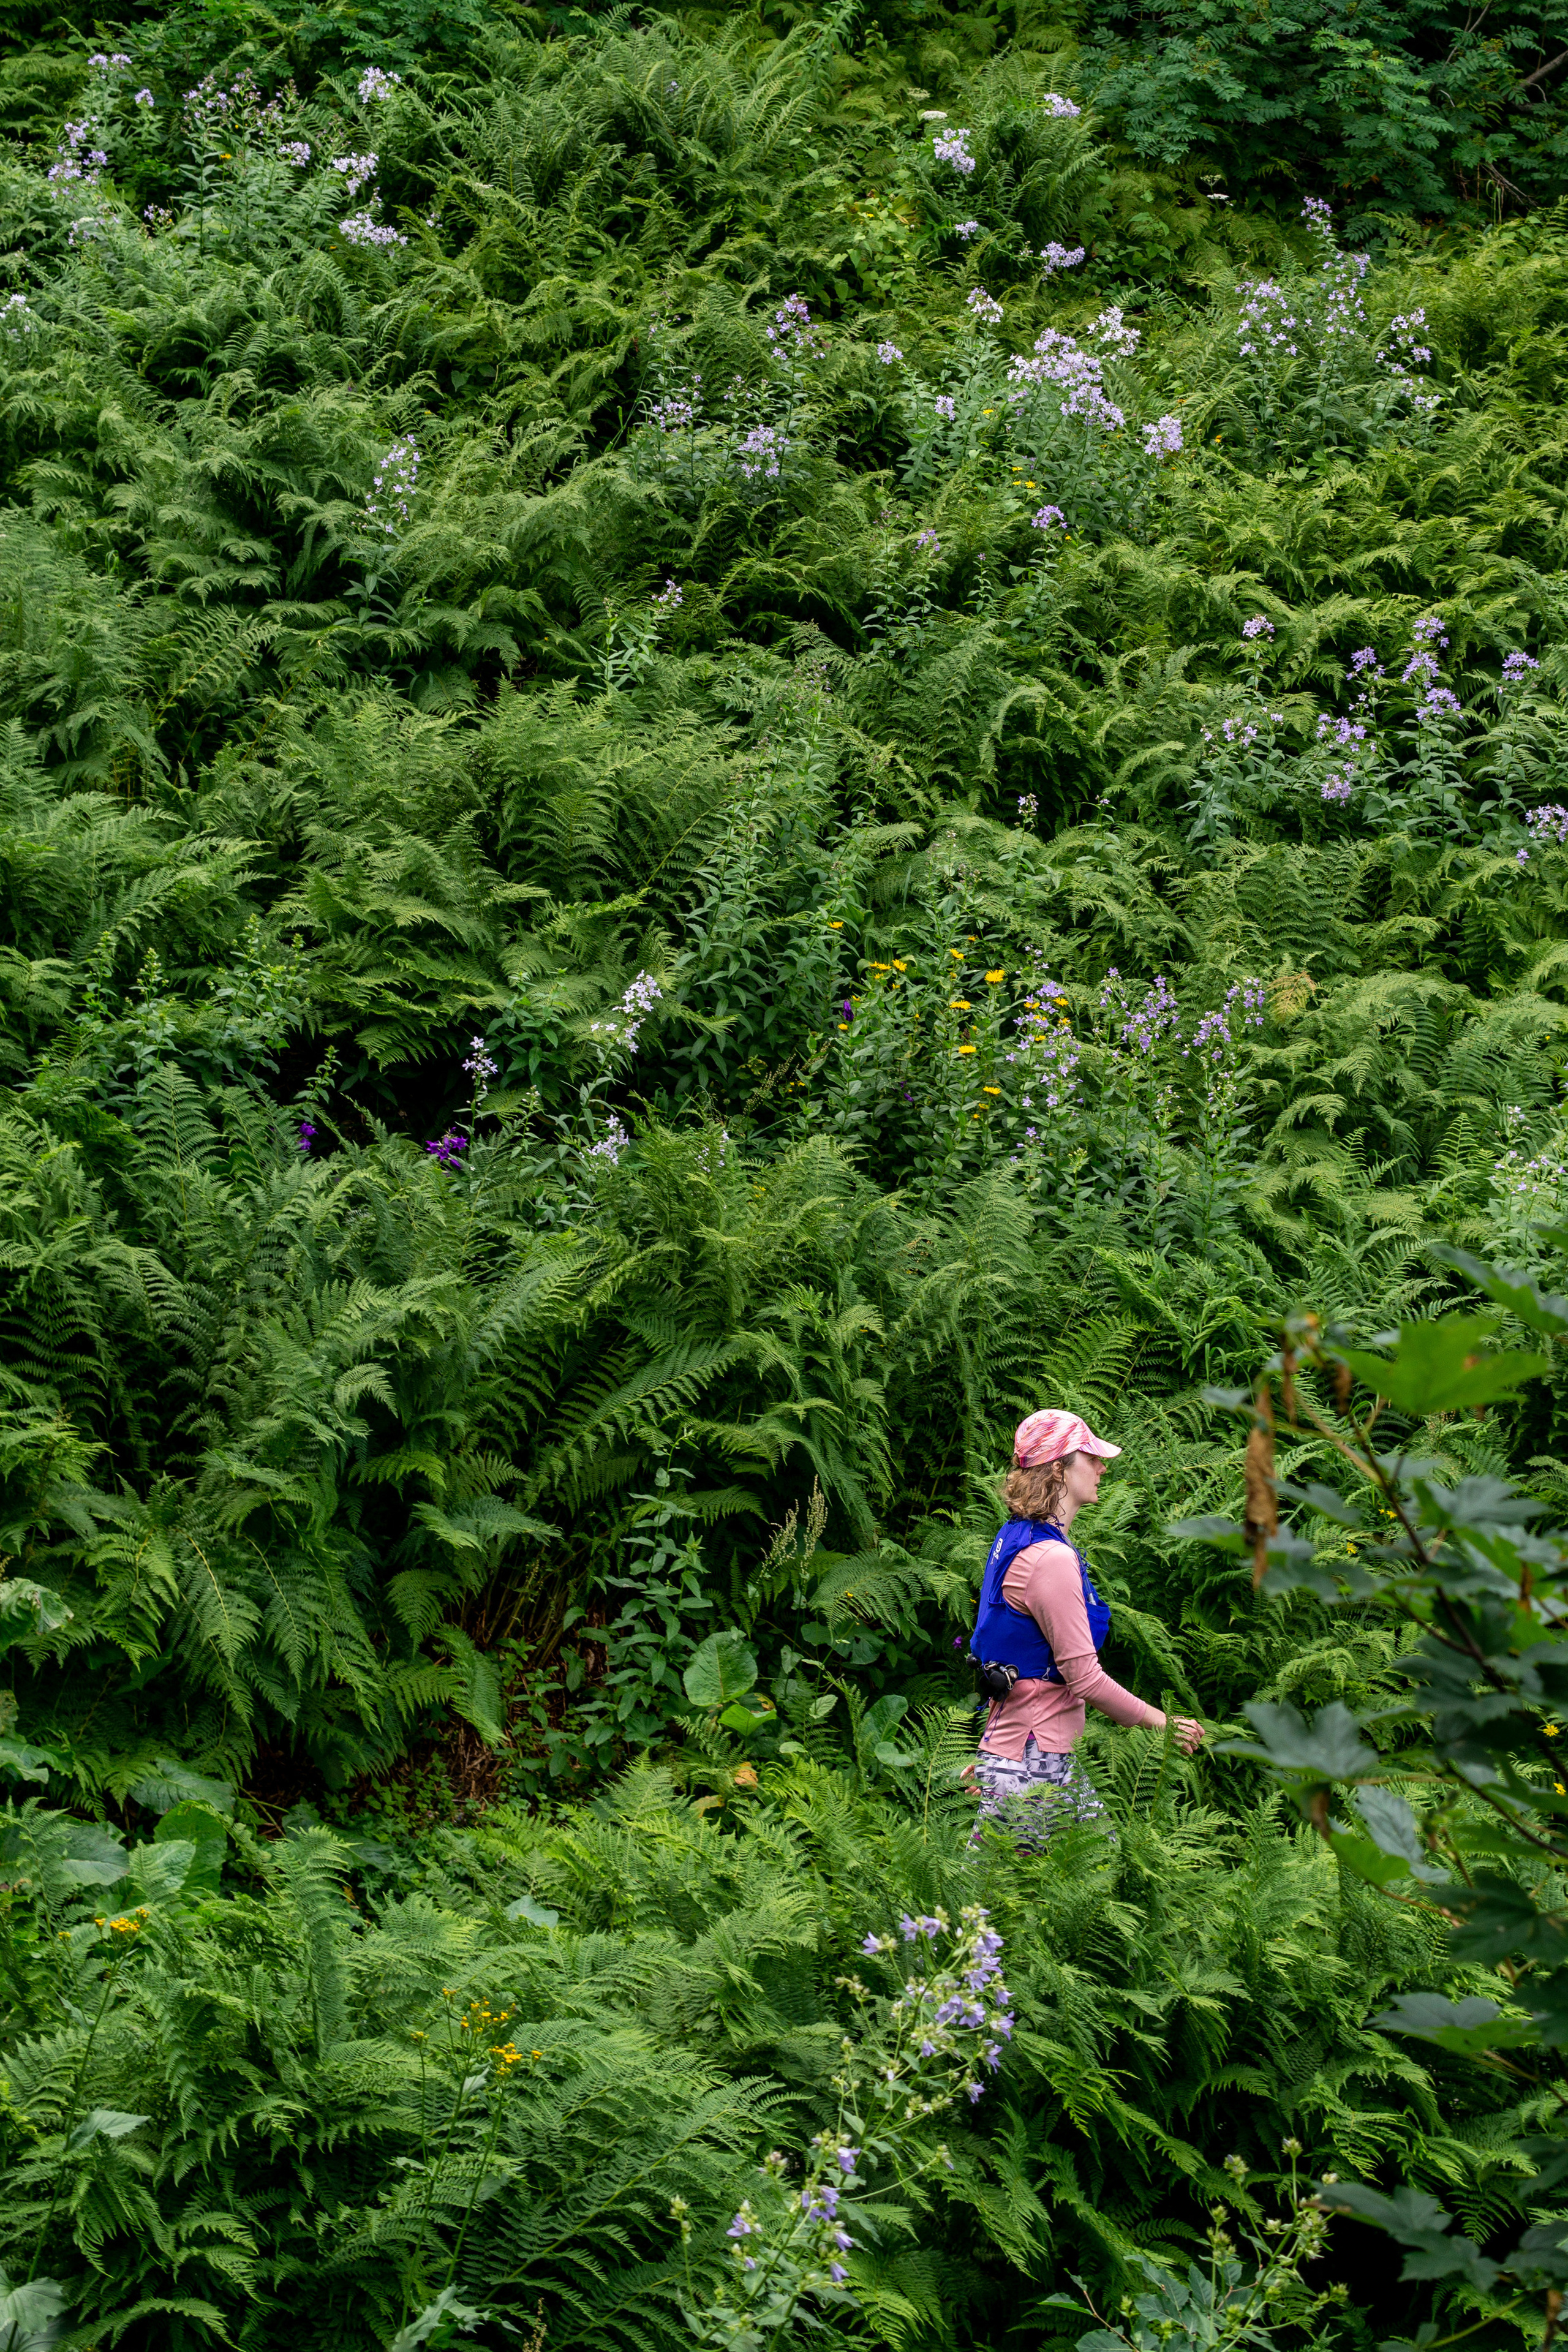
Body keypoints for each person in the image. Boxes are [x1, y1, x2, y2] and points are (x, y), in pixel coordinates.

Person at [968, 1408, 1204, 1847]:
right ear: (1059, 1470)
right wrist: (1163, 1724)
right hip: (1035, 1764)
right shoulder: (1050, 1559)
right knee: (1021, 1906)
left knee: (1074, 1891)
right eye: (1090, 1457)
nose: (1102, 1466)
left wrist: (995, 1756)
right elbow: (1084, 1677)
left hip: (1023, 1756)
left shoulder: (1015, 1537)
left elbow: (1005, 1653)